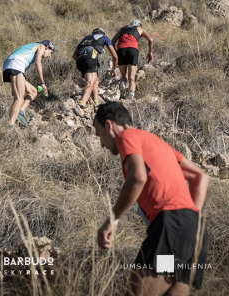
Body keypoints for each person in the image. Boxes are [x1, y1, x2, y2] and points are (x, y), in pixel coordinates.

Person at [94, 102, 209, 296]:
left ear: (109, 125)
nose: (101, 143)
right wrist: (190, 218)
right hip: (193, 232)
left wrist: (112, 220)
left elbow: (138, 177)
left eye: (99, 135)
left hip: (171, 226)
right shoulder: (156, 142)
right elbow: (200, 177)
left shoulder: (126, 136)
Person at [2, 40, 55, 128]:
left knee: (33, 91)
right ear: (47, 47)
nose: (49, 56)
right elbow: (38, 63)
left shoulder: (30, 52)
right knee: (19, 98)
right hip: (16, 63)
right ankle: (10, 127)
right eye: (51, 52)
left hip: (10, 65)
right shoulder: (41, 46)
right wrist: (42, 83)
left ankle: (20, 113)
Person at [72, 28, 118, 117]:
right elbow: (115, 56)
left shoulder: (86, 38)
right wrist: (113, 69)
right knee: (90, 83)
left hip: (79, 60)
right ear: (102, 33)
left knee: (95, 80)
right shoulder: (104, 38)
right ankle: (81, 105)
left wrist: (84, 62)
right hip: (91, 58)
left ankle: (96, 104)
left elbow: (74, 55)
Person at [111, 19, 153, 100]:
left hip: (121, 50)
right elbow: (150, 40)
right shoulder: (140, 29)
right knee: (131, 78)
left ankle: (123, 84)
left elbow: (112, 41)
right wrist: (150, 53)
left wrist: (115, 54)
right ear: (139, 25)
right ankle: (131, 96)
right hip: (133, 50)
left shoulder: (123, 28)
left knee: (123, 75)